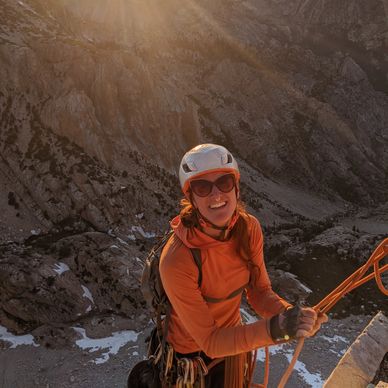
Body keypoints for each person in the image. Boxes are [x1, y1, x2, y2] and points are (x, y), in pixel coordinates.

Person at [158, 143, 328, 388]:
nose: (216, 195)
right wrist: (277, 329)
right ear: (191, 197)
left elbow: (259, 293)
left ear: (236, 188)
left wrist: (292, 315)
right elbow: (210, 340)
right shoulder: (177, 259)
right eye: (202, 187)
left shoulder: (249, 229)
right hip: (191, 355)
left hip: (232, 343)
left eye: (224, 183)